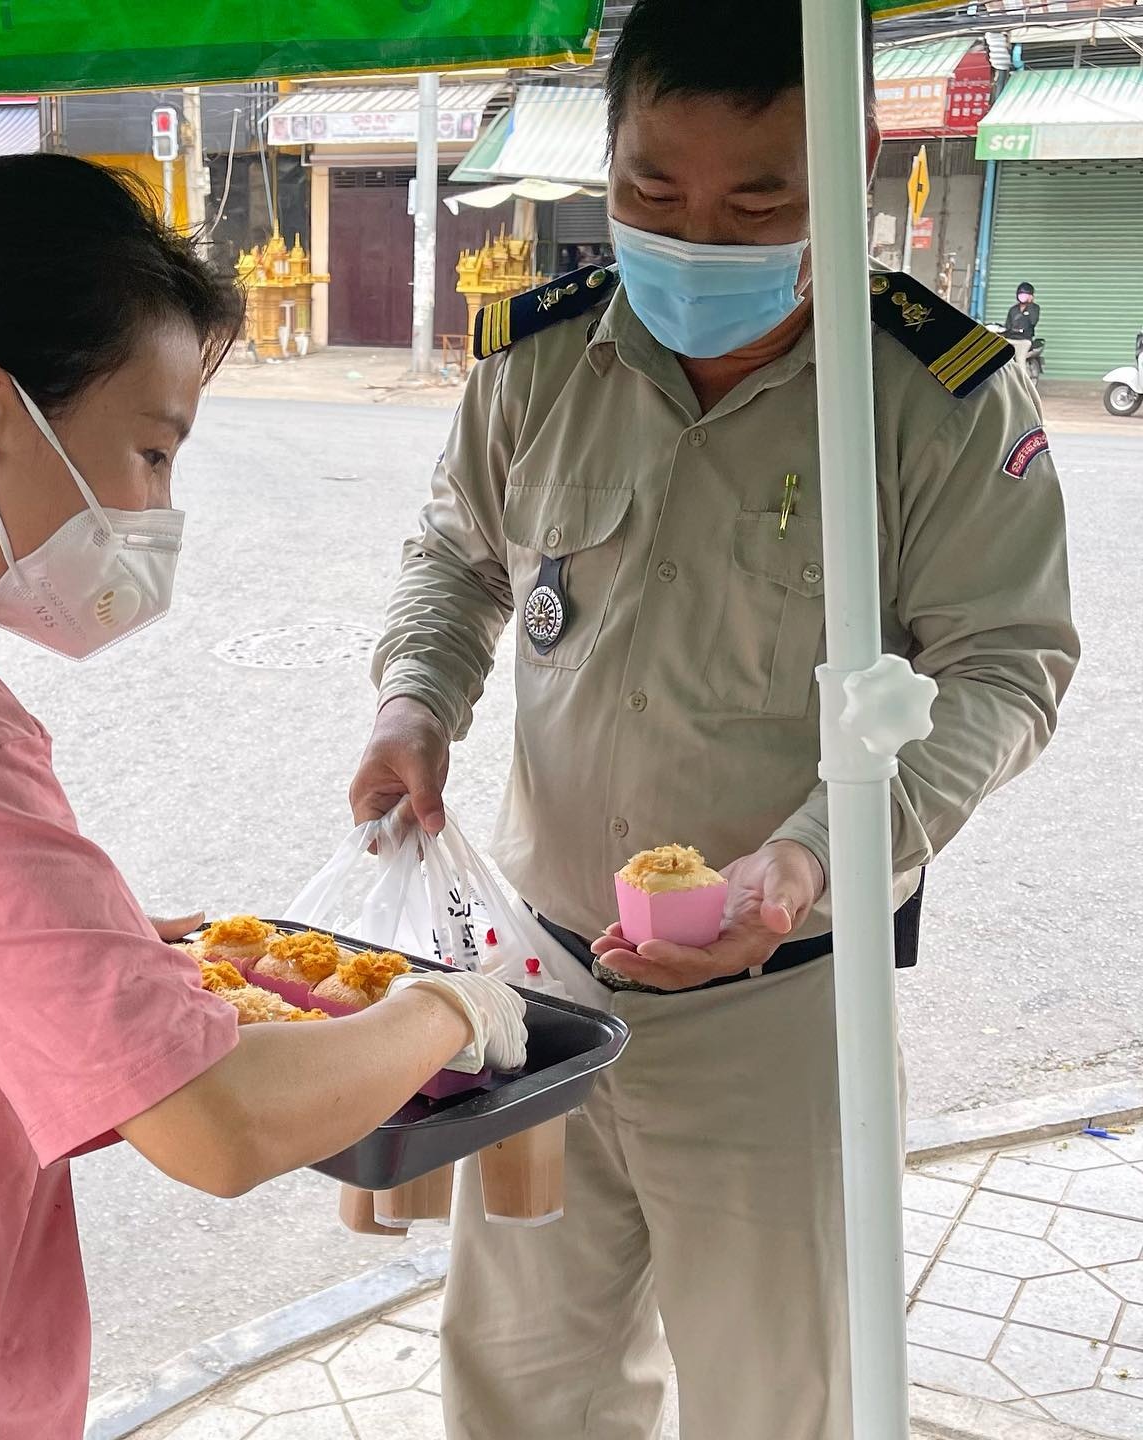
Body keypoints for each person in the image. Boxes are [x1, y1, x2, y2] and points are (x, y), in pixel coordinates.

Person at [0, 153, 528, 1440]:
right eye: (151, 450)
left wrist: (78, 956)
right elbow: (215, 1125)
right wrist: (444, 1011)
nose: (158, 510)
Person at [348, 2, 1079, 1437]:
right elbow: (459, 556)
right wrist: (415, 699)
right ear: (608, 157)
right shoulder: (540, 360)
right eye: (652, 191)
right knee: (521, 1390)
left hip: (781, 1010)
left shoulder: (936, 399)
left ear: (856, 167)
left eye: (757, 203)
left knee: (779, 1402)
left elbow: (1008, 666)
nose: (698, 238)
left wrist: (811, 852)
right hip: (539, 989)